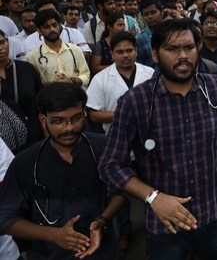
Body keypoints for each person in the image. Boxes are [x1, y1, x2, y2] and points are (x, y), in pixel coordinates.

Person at [99, 18, 217, 260]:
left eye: (189, 47)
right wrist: (153, 197)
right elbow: (110, 165)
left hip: (215, 214)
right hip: (165, 224)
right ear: (155, 55)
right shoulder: (135, 102)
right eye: (172, 49)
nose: (183, 56)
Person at [0, 83, 126, 259]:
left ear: (84, 114)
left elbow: (122, 190)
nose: (69, 128)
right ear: (43, 120)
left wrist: (103, 221)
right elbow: (5, 218)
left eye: (76, 118)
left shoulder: (103, 147)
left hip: (103, 251)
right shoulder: (26, 163)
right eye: (58, 121)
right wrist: (53, 235)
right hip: (50, 255)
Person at [86, 31, 154, 257]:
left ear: (136, 51)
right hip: (119, 146)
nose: (125, 56)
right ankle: (124, 233)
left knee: (152, 189)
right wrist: (124, 114)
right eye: (119, 52)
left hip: (150, 146)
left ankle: (156, 228)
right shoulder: (101, 79)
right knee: (120, 193)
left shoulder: (150, 73)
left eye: (129, 50)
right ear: (112, 53)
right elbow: (94, 115)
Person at [25, 10, 90, 86]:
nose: (52, 29)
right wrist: (54, 84)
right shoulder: (32, 57)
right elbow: (32, 84)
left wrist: (71, 81)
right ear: (39, 30)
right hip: (48, 96)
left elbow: (86, 75)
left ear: (60, 26)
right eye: (46, 27)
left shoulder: (75, 50)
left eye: (54, 25)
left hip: (74, 95)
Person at [24, 3, 91, 58]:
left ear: (58, 13)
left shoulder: (75, 32)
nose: (48, 14)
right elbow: (33, 59)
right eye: (44, 12)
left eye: (51, 11)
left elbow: (86, 52)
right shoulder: (31, 39)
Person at [135, 0, 163, 69]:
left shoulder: (172, 33)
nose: (150, 17)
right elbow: (139, 68)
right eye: (146, 14)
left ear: (161, 12)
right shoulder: (139, 40)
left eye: (153, 12)